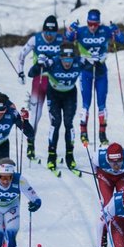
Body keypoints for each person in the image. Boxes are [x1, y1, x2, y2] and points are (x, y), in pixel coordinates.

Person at [65, 9, 124, 145]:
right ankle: (84, 132)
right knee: (86, 103)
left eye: (95, 24)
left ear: (99, 23)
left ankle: (102, 134)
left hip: (101, 71)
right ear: (87, 22)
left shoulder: (105, 30)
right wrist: (70, 30)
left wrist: (117, 31)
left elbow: (122, 40)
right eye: (90, 24)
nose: (92, 27)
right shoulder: (81, 31)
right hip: (85, 70)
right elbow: (67, 39)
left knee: (102, 103)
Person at [17, 15, 64, 160]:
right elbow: (21, 55)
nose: (49, 36)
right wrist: (20, 72)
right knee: (35, 115)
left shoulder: (61, 40)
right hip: (38, 81)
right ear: (43, 31)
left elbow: (70, 57)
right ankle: (31, 145)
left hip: (55, 83)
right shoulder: (35, 39)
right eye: (47, 33)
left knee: (53, 117)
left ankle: (52, 149)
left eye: (53, 33)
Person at [37, 44, 84, 172]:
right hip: (54, 94)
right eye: (65, 59)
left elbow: (98, 70)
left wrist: (95, 61)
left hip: (70, 95)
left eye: (70, 59)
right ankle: (51, 156)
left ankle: (70, 156)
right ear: (60, 58)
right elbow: (32, 73)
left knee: (68, 123)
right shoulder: (53, 62)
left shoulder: (78, 62)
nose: (67, 63)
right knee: (55, 123)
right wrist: (39, 63)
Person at [90, 141, 124, 207]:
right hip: (105, 177)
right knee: (107, 202)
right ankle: (107, 216)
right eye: (112, 162)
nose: (116, 166)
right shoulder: (98, 158)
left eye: (119, 162)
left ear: (123, 157)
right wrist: (95, 172)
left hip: (123, 177)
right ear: (107, 159)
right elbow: (93, 162)